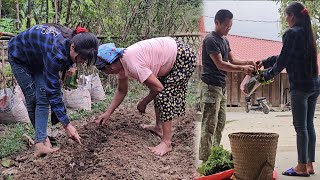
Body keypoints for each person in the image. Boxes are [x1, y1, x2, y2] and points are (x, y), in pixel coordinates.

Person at [94, 37, 196, 156]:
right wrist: (108, 113)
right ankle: (158, 128)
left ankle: (167, 142)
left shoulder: (132, 64)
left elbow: (158, 88)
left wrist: (144, 102)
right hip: (173, 54)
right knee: (160, 92)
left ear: (109, 67)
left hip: (182, 56)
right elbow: (122, 91)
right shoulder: (121, 64)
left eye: (104, 71)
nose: (107, 73)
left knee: (164, 96)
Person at [8, 24, 99, 157]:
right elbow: (54, 92)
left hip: (38, 58)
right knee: (33, 98)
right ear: (73, 47)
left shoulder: (73, 39)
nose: (81, 62)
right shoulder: (56, 51)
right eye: (81, 59)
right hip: (19, 57)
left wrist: (70, 65)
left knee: (43, 97)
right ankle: (40, 144)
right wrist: (67, 125)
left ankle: (42, 139)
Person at [257, 2, 319, 177]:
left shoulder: (291, 33)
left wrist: (263, 76)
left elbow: (283, 61)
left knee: (301, 127)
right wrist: (265, 61)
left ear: (291, 15)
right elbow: (286, 56)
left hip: (300, 85)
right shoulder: (307, 32)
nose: (285, 19)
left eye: (286, 15)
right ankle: (309, 165)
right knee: (308, 125)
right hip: (314, 85)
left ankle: (300, 167)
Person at [198, 9, 255, 162]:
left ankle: (214, 155)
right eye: (226, 26)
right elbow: (221, 64)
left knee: (220, 123)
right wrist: (243, 69)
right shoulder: (210, 39)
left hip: (222, 88)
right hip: (210, 87)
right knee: (209, 125)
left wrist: (248, 62)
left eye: (230, 26)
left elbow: (232, 59)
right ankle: (205, 160)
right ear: (216, 22)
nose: (228, 29)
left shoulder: (224, 40)